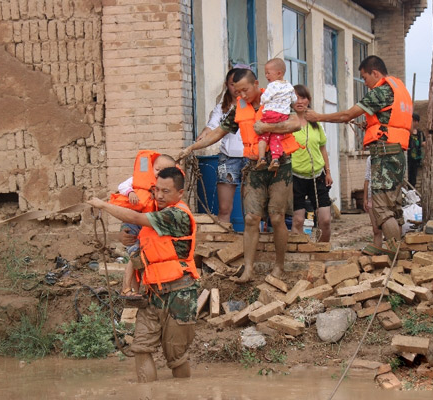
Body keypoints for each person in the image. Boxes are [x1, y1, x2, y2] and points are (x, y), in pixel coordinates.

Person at [179, 68, 301, 282]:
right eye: (238, 92)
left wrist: (268, 126)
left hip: (279, 166)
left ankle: (279, 267)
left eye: (245, 90)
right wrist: (192, 148)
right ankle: (249, 270)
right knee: (251, 218)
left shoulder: (275, 98)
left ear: (256, 84)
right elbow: (218, 132)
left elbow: (296, 123)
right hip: (254, 167)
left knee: (276, 217)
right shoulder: (239, 109)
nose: (242, 96)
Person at [87, 167, 199, 383]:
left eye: (166, 191)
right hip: (153, 294)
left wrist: (103, 205)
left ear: (180, 194)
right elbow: (134, 230)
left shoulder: (178, 215)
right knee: (141, 347)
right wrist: (124, 236)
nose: (159, 195)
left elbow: (137, 218)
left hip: (180, 295)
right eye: (157, 190)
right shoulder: (154, 210)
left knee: (176, 357)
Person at [305, 55, 412, 250]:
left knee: (381, 208)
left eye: (364, 78)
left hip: (384, 155)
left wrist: (318, 116)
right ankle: (399, 251)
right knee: (393, 206)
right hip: (397, 153)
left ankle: (396, 252)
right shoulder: (398, 90)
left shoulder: (380, 91)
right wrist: (369, 125)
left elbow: (347, 114)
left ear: (375, 73)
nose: (365, 83)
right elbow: (388, 120)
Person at [109, 152, 176, 299]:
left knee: (141, 258)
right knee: (135, 256)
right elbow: (122, 186)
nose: (159, 174)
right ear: (151, 167)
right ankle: (127, 289)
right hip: (132, 223)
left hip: (147, 225)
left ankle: (135, 291)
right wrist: (130, 192)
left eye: (164, 172)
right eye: (157, 169)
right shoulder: (138, 179)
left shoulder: (164, 188)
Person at [195, 67, 247, 226]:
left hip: (251, 157)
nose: (236, 89)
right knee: (224, 208)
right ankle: (223, 241)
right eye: (232, 84)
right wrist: (203, 136)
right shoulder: (221, 108)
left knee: (252, 209)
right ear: (227, 85)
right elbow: (212, 126)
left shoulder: (253, 106)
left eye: (240, 85)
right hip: (228, 158)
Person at [289, 85, 333, 242]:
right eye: (296, 98)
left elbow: (323, 149)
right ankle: (300, 255)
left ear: (309, 100)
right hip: (295, 177)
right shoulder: (287, 122)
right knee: (298, 221)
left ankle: (321, 253)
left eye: (303, 98)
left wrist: (328, 172)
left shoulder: (316, 123)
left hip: (317, 176)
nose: (299, 102)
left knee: (325, 220)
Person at [255, 58, 297, 172]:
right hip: (282, 116)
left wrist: (262, 102)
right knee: (276, 138)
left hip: (270, 114)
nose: (266, 75)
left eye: (268, 73)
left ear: (279, 73)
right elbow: (294, 100)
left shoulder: (273, 85)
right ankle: (276, 159)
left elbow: (265, 97)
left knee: (263, 136)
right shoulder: (289, 86)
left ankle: (262, 158)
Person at [363, 156, 384, 249]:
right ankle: (377, 254)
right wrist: (365, 198)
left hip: (386, 197)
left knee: (388, 229)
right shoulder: (370, 159)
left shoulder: (391, 156)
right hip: (372, 196)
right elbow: (367, 179)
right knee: (376, 230)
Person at [407, 113, 425, 188]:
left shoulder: (420, 133)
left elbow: (424, 142)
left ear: (416, 122)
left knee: (413, 177)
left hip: (416, 158)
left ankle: (412, 191)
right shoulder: (407, 132)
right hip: (408, 157)